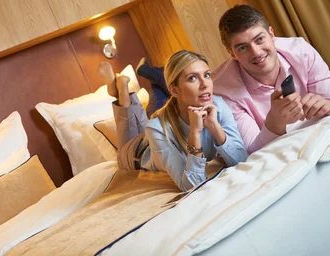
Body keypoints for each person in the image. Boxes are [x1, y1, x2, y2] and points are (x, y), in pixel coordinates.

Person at [98, 50, 248, 192]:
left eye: (207, 75)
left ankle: (128, 88)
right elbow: (191, 185)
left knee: (151, 119)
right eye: (193, 78)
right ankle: (121, 93)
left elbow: (243, 160)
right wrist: (194, 133)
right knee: (129, 140)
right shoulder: (157, 128)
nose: (205, 84)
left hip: (159, 129)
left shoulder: (218, 106)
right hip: (137, 151)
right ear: (174, 90)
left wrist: (215, 127)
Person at [213, 5, 330, 154]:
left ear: (272, 34)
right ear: (232, 54)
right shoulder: (222, 91)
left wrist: (329, 105)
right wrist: (275, 122)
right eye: (242, 48)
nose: (256, 52)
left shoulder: (301, 51)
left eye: (259, 39)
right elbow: (249, 153)